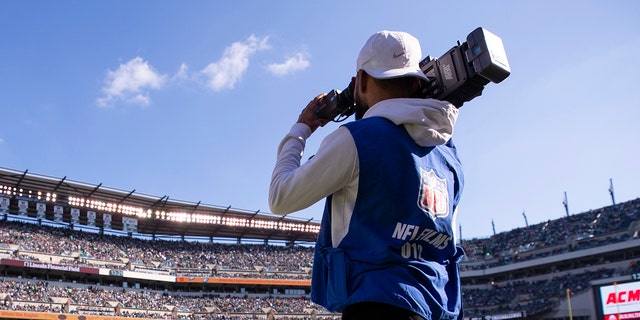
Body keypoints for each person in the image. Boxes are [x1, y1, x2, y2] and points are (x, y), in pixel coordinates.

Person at [269, 30, 464, 320]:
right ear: (414, 82)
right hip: (438, 306)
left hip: (376, 303)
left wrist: (300, 130)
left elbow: (281, 197)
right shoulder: (449, 154)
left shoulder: (358, 138)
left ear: (359, 79)